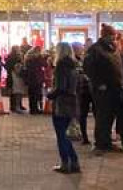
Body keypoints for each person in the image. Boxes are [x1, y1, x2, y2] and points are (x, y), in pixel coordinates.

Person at [83, 24, 123, 154]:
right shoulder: (95, 49)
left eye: (114, 36)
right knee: (102, 115)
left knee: (111, 115)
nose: (113, 38)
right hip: (103, 90)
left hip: (115, 88)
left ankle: (107, 141)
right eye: (111, 36)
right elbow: (88, 67)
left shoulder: (114, 49)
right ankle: (100, 143)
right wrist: (98, 83)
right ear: (104, 36)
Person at [47, 42, 81, 174]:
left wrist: (50, 95)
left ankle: (65, 163)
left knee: (61, 135)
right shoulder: (74, 65)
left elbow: (61, 87)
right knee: (64, 134)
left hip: (61, 103)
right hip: (72, 101)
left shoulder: (61, 66)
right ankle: (74, 162)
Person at [73, 42, 92, 145]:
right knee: (82, 114)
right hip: (81, 90)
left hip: (87, 89)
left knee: (84, 114)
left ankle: (84, 136)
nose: (83, 50)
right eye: (81, 48)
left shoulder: (83, 59)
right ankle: (84, 136)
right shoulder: (74, 60)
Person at [24, 46, 47, 114]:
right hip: (37, 78)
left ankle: (32, 109)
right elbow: (44, 64)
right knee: (37, 94)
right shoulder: (38, 58)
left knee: (31, 94)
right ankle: (35, 109)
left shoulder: (28, 57)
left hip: (30, 78)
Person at [5, 46, 26, 112]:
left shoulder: (17, 56)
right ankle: (14, 106)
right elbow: (9, 66)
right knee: (15, 91)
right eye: (17, 49)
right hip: (14, 75)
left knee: (18, 91)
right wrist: (14, 69)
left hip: (18, 75)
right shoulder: (12, 57)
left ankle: (18, 105)